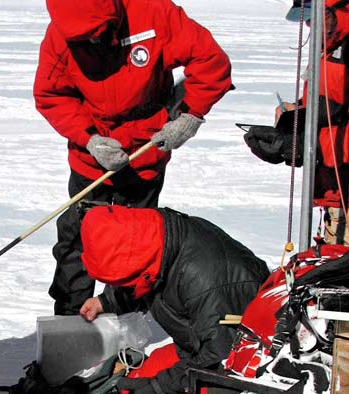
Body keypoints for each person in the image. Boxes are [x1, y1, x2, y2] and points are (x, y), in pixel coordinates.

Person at [33, 0, 233, 315]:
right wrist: (90, 139)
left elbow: (210, 60)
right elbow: (51, 94)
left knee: (135, 243)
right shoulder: (60, 36)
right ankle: (70, 320)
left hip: (146, 153)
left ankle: (122, 316)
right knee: (77, 238)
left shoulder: (153, 13)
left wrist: (189, 115)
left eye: (97, 33)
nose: (92, 42)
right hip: (93, 158)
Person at [78, 205, 270, 394]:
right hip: (197, 345)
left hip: (238, 368)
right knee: (129, 389)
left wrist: (159, 389)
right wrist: (105, 302)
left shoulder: (206, 282)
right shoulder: (157, 237)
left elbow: (219, 358)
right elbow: (139, 279)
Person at [244, 0, 349, 245]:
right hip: (335, 194)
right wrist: (298, 115)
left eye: (318, 15)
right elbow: (330, 100)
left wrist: (308, 146)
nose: (311, 24)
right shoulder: (327, 47)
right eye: (308, 18)